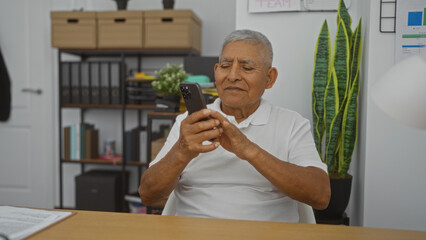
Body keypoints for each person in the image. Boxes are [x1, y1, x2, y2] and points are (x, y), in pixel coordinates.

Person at [139, 29, 330, 222]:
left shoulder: (292, 124)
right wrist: (181, 151)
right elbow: (148, 194)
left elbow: (320, 195)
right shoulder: (189, 123)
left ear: (269, 78)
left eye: (246, 68)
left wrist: (249, 150)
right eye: (225, 66)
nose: (232, 76)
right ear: (216, 72)